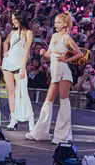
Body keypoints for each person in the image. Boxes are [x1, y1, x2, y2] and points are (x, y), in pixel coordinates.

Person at [26, 12, 83, 144]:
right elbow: (48, 54)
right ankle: (40, 132)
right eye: (55, 22)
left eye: (59, 22)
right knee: (48, 101)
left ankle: (61, 135)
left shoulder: (67, 38)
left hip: (63, 72)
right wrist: (43, 53)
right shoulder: (54, 36)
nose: (56, 25)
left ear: (64, 24)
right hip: (55, 72)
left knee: (64, 102)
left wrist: (66, 59)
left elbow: (79, 54)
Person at [1, 10, 35, 131]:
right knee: (11, 92)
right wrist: (5, 52)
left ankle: (30, 119)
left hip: (19, 64)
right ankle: (13, 119)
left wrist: (22, 68)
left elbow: (26, 51)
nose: (13, 21)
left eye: (15, 19)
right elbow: (5, 43)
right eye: (12, 19)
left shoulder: (28, 33)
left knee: (22, 92)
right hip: (8, 63)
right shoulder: (13, 32)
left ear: (20, 19)